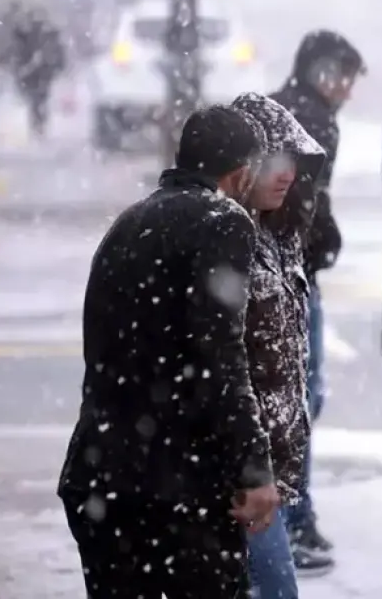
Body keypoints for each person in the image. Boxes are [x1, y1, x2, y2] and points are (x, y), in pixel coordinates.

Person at [58, 104, 278, 599]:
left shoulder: (129, 223)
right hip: (176, 488)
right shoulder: (224, 220)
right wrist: (253, 468)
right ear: (242, 171)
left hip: (103, 475)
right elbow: (220, 355)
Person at [269, 29, 365, 570]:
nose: (348, 91)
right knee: (299, 402)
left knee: (288, 400)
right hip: (292, 277)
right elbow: (308, 204)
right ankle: (289, 525)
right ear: (324, 72)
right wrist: (326, 244)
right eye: (345, 78)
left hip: (275, 271)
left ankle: (294, 519)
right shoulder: (313, 120)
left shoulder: (276, 109)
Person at [229, 92, 329, 597]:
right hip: (241, 474)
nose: (286, 174)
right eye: (272, 160)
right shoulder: (224, 240)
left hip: (267, 473)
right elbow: (220, 365)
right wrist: (248, 467)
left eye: (293, 162)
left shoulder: (280, 237)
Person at [0, 0, 66, 137]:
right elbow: (15, 48)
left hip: (41, 71)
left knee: (38, 98)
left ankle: (38, 125)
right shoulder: (27, 32)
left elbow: (54, 51)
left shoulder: (43, 33)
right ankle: (38, 124)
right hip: (35, 71)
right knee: (36, 98)